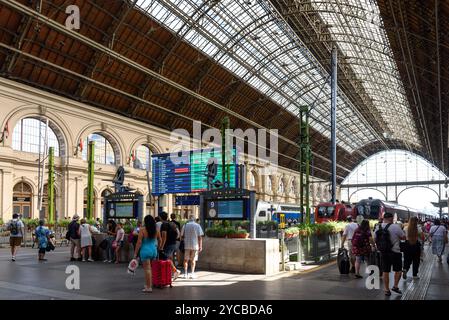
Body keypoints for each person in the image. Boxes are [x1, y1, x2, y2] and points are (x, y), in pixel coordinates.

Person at [374, 212, 406, 296]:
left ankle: (386, 289)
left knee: (385, 271)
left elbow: (374, 239)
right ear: (391, 218)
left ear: (383, 218)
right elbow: (403, 237)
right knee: (398, 270)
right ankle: (395, 286)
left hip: (384, 252)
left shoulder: (378, 227)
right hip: (395, 252)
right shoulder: (396, 227)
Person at [134, 215, 162, 293]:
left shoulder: (142, 230)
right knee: (151, 269)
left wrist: (135, 253)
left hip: (145, 251)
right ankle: (148, 284)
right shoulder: (156, 230)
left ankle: (148, 287)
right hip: (154, 250)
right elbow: (160, 239)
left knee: (147, 269)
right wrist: (159, 248)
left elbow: (139, 242)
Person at [181, 215, 204, 279]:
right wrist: (200, 246)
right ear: (194, 219)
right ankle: (192, 274)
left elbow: (181, 235)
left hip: (187, 245)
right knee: (193, 260)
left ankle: (185, 274)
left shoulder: (185, 225)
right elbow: (200, 237)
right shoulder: (197, 225)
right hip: (195, 245)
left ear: (189, 219)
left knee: (185, 260)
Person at [160, 212, 181, 280]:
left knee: (166, 258)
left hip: (167, 244)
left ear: (160, 217)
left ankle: (175, 271)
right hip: (173, 243)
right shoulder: (172, 224)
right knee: (168, 258)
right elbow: (178, 234)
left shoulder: (164, 225)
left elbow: (164, 237)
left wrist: (161, 247)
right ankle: (171, 272)